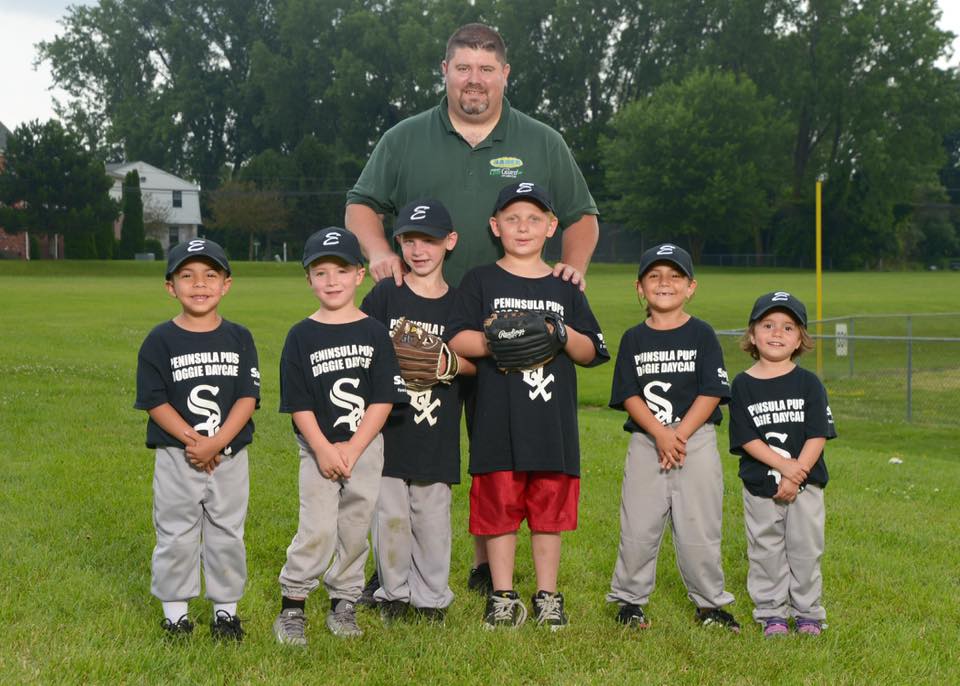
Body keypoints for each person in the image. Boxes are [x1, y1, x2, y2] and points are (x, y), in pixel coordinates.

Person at [347, 21, 600, 592]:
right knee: (407, 445)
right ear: (445, 71)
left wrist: (572, 267)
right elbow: (361, 203)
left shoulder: (541, 141)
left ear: (505, 74)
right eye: (463, 67)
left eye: (487, 69)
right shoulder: (406, 137)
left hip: (506, 323)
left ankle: (488, 569)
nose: (474, 80)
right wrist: (380, 251)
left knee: (496, 450)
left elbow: (582, 215)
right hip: (421, 312)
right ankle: (391, 563)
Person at [447, 182, 609, 630]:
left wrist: (558, 332)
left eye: (534, 219)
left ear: (551, 227)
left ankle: (547, 595)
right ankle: (502, 595)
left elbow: (592, 351)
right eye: (513, 218)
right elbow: (457, 338)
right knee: (499, 507)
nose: (523, 227)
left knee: (548, 512)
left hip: (550, 423)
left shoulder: (564, 285)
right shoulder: (480, 280)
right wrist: (500, 338)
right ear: (495, 225)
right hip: (497, 420)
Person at [273, 227, 409, 646]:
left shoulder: (374, 332)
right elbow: (298, 403)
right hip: (317, 448)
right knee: (316, 527)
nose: (332, 280)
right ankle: (293, 605)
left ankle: (343, 603)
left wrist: (354, 446)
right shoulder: (300, 335)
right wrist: (323, 448)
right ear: (308, 279)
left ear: (359, 275)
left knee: (354, 527)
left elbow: (383, 398)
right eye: (321, 272)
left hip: (364, 447)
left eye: (341, 270)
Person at [606, 243, 740, 632]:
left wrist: (677, 435)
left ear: (691, 287)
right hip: (647, 442)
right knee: (638, 528)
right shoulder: (634, 338)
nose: (665, 282)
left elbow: (712, 391)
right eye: (654, 276)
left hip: (695, 441)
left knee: (700, 528)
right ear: (639, 287)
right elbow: (628, 394)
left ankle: (710, 604)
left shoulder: (702, 333)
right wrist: (659, 434)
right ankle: (629, 601)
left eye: (675, 276)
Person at [135, 239, 260, 641]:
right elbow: (154, 401)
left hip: (230, 456)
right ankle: (176, 616)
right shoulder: (159, 340)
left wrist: (217, 442)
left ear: (227, 284)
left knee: (227, 533)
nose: (199, 283)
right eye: (186, 275)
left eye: (210, 274)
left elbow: (247, 398)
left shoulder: (240, 338)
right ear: (170, 287)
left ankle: (226, 614)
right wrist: (196, 442)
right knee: (175, 532)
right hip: (177, 455)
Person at [360, 199, 475, 624]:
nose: (418, 250)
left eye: (429, 240)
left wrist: (447, 363)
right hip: (388, 428)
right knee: (390, 515)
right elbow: (361, 343)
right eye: (409, 241)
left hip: (436, 430)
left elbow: (478, 362)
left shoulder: (460, 303)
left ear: (450, 242)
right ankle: (393, 593)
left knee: (431, 518)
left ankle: (431, 598)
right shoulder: (386, 295)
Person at [728, 291, 836, 637]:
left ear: (800, 339)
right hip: (760, 486)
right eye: (768, 325)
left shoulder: (809, 383)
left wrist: (796, 474)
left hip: (806, 486)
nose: (777, 333)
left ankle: (808, 613)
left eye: (788, 327)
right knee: (765, 550)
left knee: (805, 550)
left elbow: (818, 434)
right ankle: (772, 613)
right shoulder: (742, 384)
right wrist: (783, 467)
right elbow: (746, 438)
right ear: (752, 334)